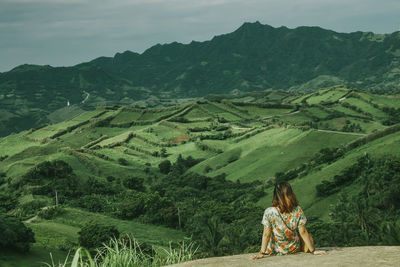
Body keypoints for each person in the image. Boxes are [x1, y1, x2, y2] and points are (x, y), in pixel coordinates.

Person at [252, 182, 327, 260]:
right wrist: (313, 251)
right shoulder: (298, 210)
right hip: (293, 249)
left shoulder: (269, 212)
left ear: (276, 195)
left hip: (274, 250)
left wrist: (262, 253)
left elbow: (266, 234)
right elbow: (303, 232)